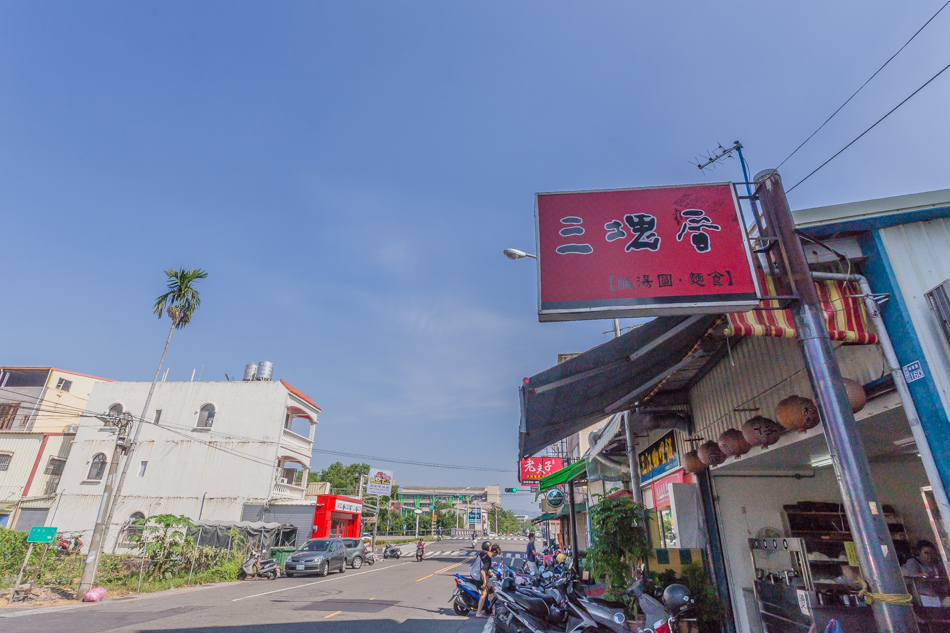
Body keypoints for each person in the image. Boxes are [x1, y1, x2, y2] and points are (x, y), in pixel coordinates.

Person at [471, 540, 494, 618]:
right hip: (477, 575)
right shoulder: (486, 557)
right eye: (491, 546)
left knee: (491, 588)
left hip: (474, 572)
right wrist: (484, 583)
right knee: (484, 593)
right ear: (489, 547)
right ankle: (478, 613)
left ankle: (492, 610)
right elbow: (483, 571)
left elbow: (475, 558)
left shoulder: (482, 553)